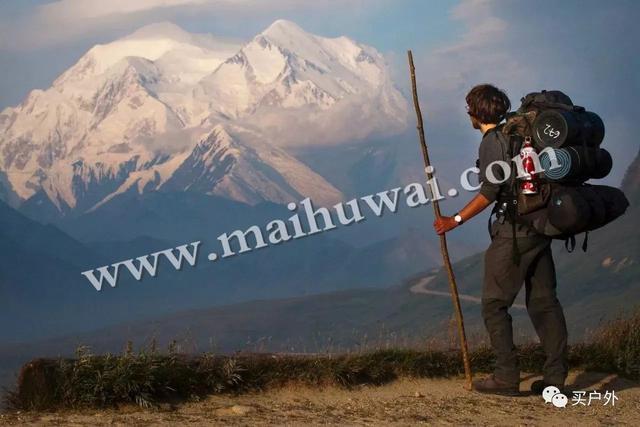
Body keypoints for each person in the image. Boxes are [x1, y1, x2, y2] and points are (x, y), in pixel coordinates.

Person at [433, 84, 568, 396]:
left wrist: (452, 221)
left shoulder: (493, 141)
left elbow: (489, 193)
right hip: (541, 225)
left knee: (494, 304)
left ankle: (506, 377)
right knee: (544, 303)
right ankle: (555, 379)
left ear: (476, 112)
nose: (467, 112)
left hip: (514, 232)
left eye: (469, 107)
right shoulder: (521, 133)